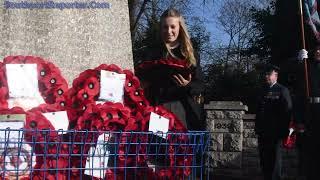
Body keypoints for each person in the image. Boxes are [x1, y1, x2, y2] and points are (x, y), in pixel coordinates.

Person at [136, 8, 205, 130]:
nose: (169, 31)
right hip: (157, 109)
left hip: (183, 109)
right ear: (160, 28)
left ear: (180, 28)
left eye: (173, 27)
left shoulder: (190, 54)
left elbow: (200, 85)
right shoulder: (153, 52)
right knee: (159, 146)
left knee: (180, 146)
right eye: (165, 27)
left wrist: (187, 85)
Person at [255, 65, 292, 180]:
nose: (266, 76)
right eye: (265, 74)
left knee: (275, 160)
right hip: (263, 131)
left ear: (276, 76)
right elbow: (259, 110)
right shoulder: (262, 90)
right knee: (264, 159)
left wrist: (284, 130)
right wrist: (257, 127)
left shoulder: (282, 90)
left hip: (275, 132)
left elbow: (287, 111)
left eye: (268, 74)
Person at [297, 47, 320, 180]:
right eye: (316, 50)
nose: (318, 52)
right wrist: (300, 63)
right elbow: (299, 92)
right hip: (308, 113)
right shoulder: (307, 67)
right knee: (308, 154)